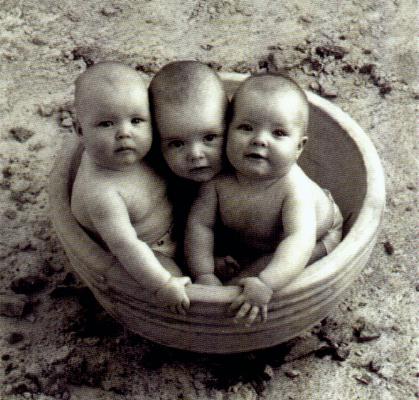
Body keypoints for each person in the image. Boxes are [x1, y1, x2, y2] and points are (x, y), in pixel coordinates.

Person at [185, 73, 343, 325]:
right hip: (254, 238)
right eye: (246, 127)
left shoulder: (294, 189)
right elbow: (200, 226)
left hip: (315, 237)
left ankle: (246, 284)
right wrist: (203, 273)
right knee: (212, 250)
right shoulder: (218, 181)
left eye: (278, 133)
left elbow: (298, 241)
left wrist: (267, 284)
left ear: (299, 147)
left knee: (249, 278)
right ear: (227, 130)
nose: (259, 139)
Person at [70, 61, 190, 315]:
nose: (125, 133)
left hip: (175, 226)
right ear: (80, 130)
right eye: (106, 124)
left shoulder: (141, 150)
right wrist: (161, 284)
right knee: (180, 289)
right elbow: (126, 245)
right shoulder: (102, 193)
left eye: (136, 120)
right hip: (148, 253)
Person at [149, 61, 236, 281]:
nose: (196, 155)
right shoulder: (163, 180)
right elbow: (182, 233)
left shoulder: (242, 167)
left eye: (209, 138)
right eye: (177, 143)